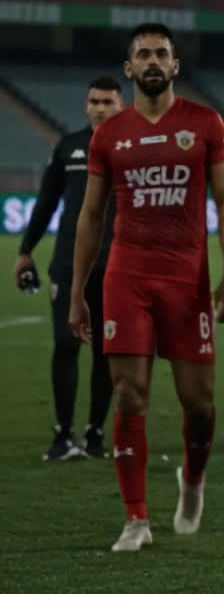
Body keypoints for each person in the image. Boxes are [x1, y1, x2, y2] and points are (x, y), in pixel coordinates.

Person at [69, 22, 224, 552]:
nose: (151, 60)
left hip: (186, 281)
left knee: (198, 405)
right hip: (127, 276)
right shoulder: (110, 133)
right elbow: (91, 214)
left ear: (174, 66)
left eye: (160, 53)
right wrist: (79, 290)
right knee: (129, 393)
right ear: (129, 68)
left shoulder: (204, 123)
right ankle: (136, 519)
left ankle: (191, 480)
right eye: (142, 53)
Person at [16, 76, 124, 460]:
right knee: (65, 344)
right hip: (67, 264)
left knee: (106, 352)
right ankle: (63, 436)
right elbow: (46, 202)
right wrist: (25, 250)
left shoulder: (132, 148)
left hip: (117, 267)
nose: (99, 108)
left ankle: (94, 434)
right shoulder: (69, 147)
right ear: (85, 105)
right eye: (94, 101)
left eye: (108, 102)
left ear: (121, 105)